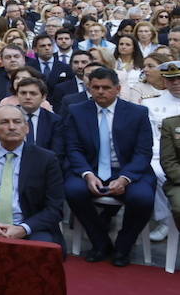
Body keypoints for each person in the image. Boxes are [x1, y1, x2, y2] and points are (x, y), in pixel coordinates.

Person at [61, 67, 157, 266]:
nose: (100, 92)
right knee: (73, 191)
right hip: (91, 169)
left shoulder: (137, 113)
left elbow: (143, 152)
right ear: (89, 88)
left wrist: (125, 178)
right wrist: (87, 174)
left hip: (128, 170)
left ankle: (124, 245)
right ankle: (100, 242)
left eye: (106, 87)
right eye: (95, 87)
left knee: (143, 198)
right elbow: (73, 148)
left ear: (118, 89)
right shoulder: (77, 111)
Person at [0, 104, 65, 244]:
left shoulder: (46, 159)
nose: (12, 127)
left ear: (26, 128)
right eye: (4, 122)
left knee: (43, 248)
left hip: (31, 226)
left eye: (17, 122)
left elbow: (55, 207)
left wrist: (23, 228)